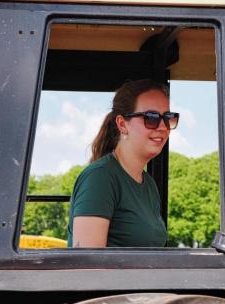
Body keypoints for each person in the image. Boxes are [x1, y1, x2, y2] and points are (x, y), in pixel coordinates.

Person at [68, 79, 180, 248]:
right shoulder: (99, 178)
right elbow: (87, 266)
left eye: (168, 118)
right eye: (151, 118)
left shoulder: (149, 185)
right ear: (122, 124)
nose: (163, 127)